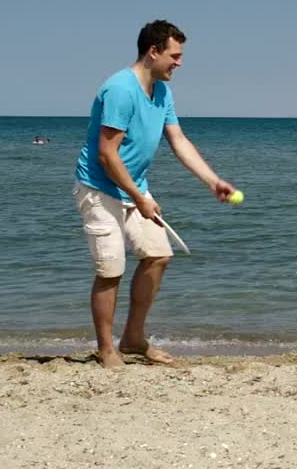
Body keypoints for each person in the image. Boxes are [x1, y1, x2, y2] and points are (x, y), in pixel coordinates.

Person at [73, 19, 237, 368]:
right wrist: (140, 197)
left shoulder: (162, 91)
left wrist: (212, 181)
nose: (179, 63)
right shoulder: (120, 89)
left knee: (158, 255)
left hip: (135, 190)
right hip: (99, 188)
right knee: (110, 269)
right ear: (153, 51)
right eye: (174, 55)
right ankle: (106, 350)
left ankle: (133, 338)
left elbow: (178, 140)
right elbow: (107, 153)